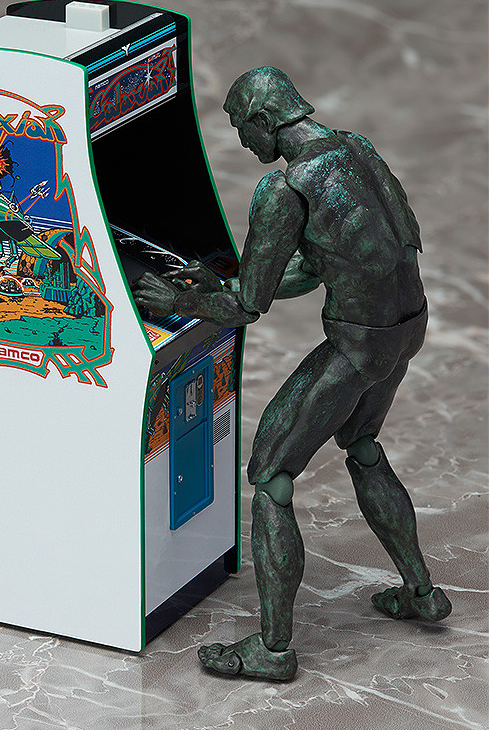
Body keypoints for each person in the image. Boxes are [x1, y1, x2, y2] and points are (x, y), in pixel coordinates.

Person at [132, 67, 452, 682]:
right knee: (362, 445)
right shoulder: (355, 150)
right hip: (406, 328)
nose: (241, 142)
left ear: (264, 119)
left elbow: (247, 308)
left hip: (358, 344)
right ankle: (420, 593)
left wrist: (180, 302)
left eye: (240, 128)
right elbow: (324, 263)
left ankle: (273, 650)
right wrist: (228, 281)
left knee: (271, 475)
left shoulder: (284, 189)